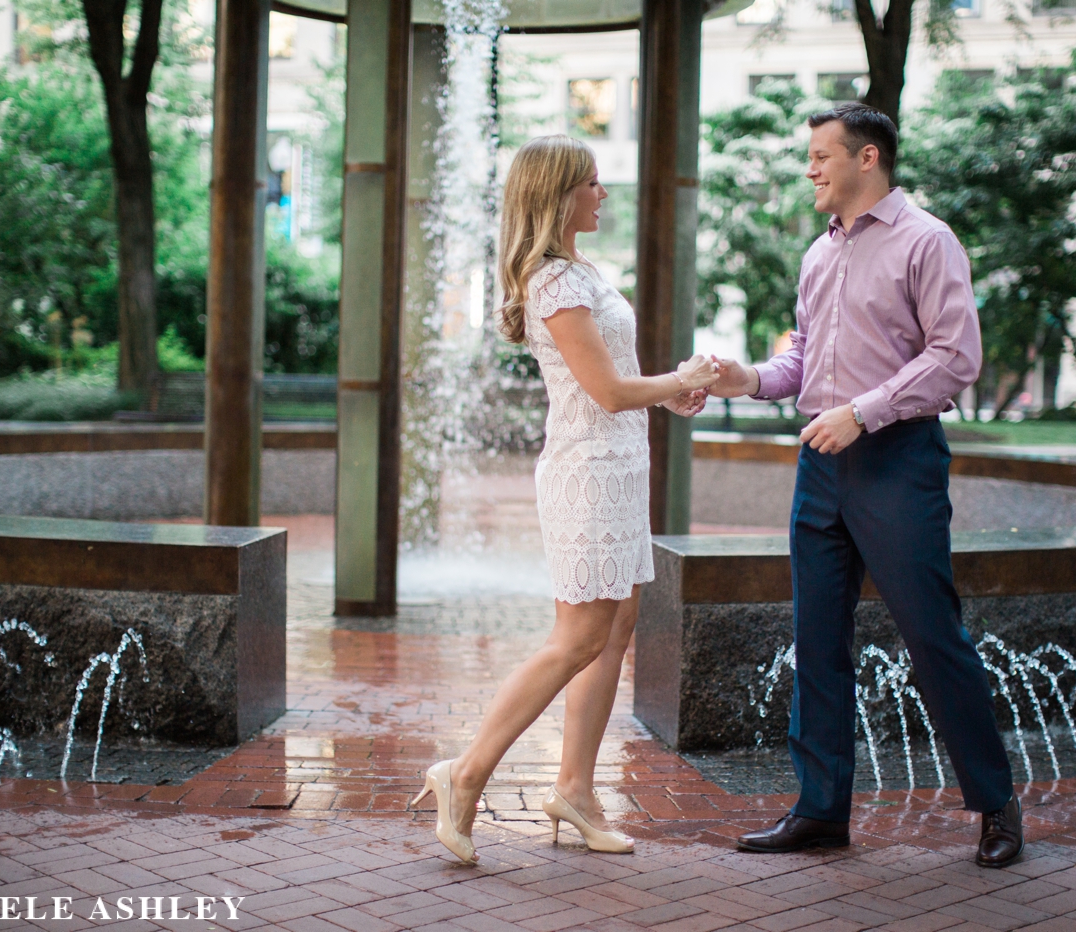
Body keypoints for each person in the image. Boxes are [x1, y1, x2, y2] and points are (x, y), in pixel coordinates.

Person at [710, 102, 1024, 868]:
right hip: (822, 461)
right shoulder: (818, 255)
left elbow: (956, 358)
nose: (809, 169)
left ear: (868, 158)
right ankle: (821, 811)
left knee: (932, 637)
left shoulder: (928, 241)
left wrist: (863, 411)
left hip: (898, 459)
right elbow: (804, 362)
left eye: (821, 156)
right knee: (817, 643)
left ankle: (996, 805)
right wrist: (744, 377)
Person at [411, 135, 718, 865]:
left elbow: (621, 381)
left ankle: (575, 790)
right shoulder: (551, 280)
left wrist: (676, 396)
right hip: (584, 472)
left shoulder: (581, 271)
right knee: (578, 637)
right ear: (558, 195)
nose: (603, 193)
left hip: (618, 466)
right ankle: (465, 773)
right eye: (592, 183)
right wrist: (680, 378)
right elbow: (607, 391)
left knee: (615, 630)